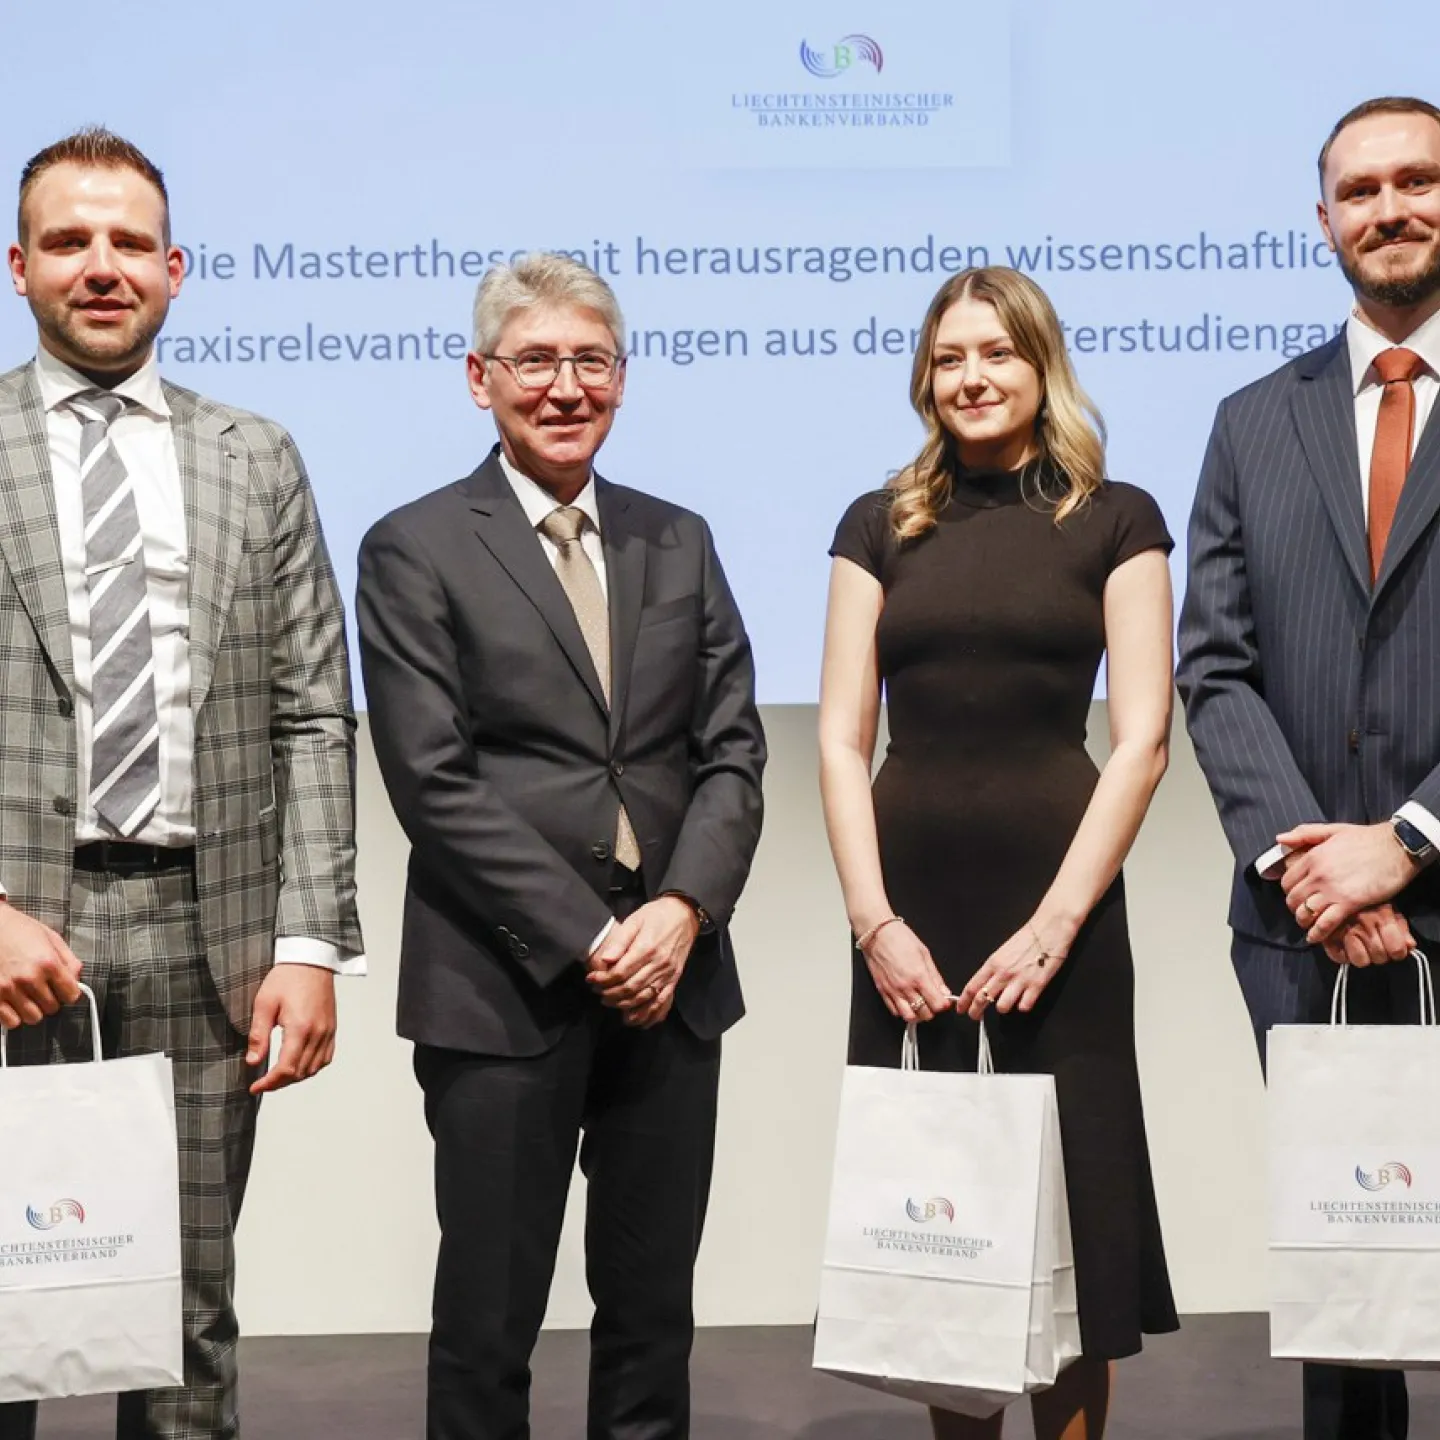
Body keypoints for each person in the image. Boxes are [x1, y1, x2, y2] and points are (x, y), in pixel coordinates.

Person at [356, 252, 766, 1440]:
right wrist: (595, 934)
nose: (564, 386)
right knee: (489, 1324)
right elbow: (432, 781)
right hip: (502, 988)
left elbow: (733, 752)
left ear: (623, 379)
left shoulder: (677, 539)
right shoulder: (415, 545)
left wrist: (682, 913)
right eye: (534, 362)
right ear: (479, 379)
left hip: (673, 984)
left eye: (590, 360)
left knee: (653, 1317)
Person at [0, 129, 362, 1440]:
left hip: (209, 935)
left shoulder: (254, 456)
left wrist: (311, 944)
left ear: (175, 268)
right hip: (11, 931)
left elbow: (315, 713)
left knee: (188, 1318)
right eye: (70, 241)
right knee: (4, 1308)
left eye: (128, 243)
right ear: (20, 266)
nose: (102, 267)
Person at [819, 266, 1178, 1439]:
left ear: (1040, 365)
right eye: (948, 357)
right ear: (925, 377)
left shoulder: (1117, 515)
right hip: (911, 909)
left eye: (995, 354)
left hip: (1060, 908)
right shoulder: (878, 523)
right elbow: (836, 738)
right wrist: (876, 925)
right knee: (943, 1218)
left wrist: (1056, 924)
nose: (971, 377)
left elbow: (1142, 739)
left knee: (1072, 1232)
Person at [1177, 94, 1440, 1440]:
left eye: (1417, 180)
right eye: (1361, 190)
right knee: (1352, 1287)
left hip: (1437, 884)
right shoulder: (1248, 420)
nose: (1390, 208)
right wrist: (1318, 862)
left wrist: (1411, 838)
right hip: (1300, 924)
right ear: (1323, 219)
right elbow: (1212, 668)